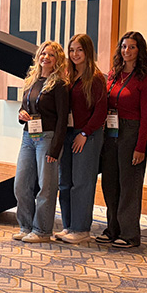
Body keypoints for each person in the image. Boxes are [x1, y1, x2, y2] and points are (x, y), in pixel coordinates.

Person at [97, 31, 147, 248]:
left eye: (132, 47)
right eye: (123, 47)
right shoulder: (114, 74)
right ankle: (112, 228)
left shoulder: (146, 78)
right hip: (111, 132)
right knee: (110, 182)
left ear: (139, 50)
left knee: (129, 185)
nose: (126, 51)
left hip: (132, 132)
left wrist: (141, 147)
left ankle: (129, 234)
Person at [13, 41, 70, 243]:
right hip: (28, 137)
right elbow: (24, 108)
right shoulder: (32, 80)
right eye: (43, 53)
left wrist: (56, 148)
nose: (46, 57)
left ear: (58, 60)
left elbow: (63, 119)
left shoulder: (60, 85)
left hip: (47, 138)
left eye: (51, 55)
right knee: (21, 184)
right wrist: (21, 115)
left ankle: (42, 231)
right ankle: (25, 226)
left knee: (46, 187)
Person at [55, 34, 107, 244]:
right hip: (68, 134)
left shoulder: (95, 77)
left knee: (82, 183)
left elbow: (100, 112)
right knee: (65, 183)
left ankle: (81, 229)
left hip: (87, 135)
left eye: (79, 50)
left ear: (88, 52)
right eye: (72, 50)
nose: (75, 54)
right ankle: (69, 226)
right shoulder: (68, 76)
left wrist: (84, 133)